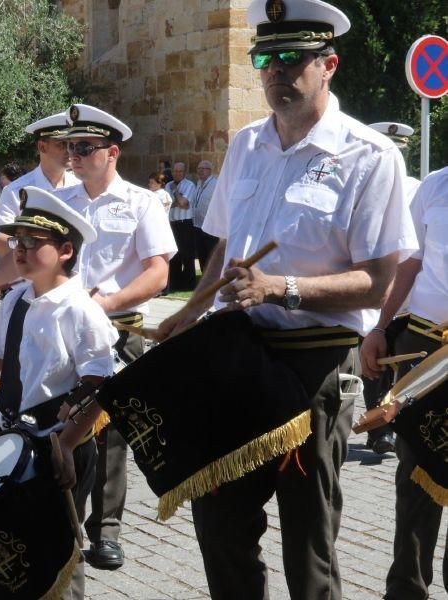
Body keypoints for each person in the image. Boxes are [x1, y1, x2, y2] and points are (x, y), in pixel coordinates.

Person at [157, 1, 416, 597]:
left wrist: (283, 288)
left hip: (317, 361)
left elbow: (378, 280)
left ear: (328, 64)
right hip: (238, 353)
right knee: (218, 517)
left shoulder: (370, 156)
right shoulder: (246, 145)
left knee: (308, 538)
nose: (274, 72)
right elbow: (224, 250)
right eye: (264, 59)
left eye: (290, 59)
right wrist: (189, 311)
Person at [0, 186, 116, 600]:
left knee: (57, 550)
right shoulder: (16, 299)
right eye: (17, 240)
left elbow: (98, 384)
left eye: (34, 241)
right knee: (16, 545)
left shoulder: (82, 310)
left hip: (57, 444)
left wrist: (66, 445)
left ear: (65, 250)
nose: (20, 249)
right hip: (12, 442)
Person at [56, 104, 176, 571]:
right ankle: (65, 523)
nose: (74, 156)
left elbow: (159, 273)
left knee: (111, 438)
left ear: (112, 152)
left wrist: (107, 302)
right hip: (67, 334)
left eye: (84, 148)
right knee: (60, 427)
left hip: (119, 332)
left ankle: (106, 531)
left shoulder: (140, 203)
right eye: (71, 147)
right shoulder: (61, 204)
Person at [359, 166, 448, 600]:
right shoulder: (436, 184)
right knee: (415, 467)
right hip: (425, 345)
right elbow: (409, 264)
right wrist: (379, 328)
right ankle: (407, 589)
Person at [360, 121, 421, 454]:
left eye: (398, 152)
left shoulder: (417, 190)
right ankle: (378, 431)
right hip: (372, 293)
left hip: (409, 298)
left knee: (402, 365)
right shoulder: (365, 189)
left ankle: (398, 425)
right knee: (374, 365)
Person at [0, 112, 80, 259]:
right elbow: (0, 242)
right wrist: (35, 250)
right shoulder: (15, 191)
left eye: (71, 144)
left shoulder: (80, 187)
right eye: (62, 144)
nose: (69, 151)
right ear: (42, 147)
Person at [165, 161, 197, 291]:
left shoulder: (189, 185)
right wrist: (179, 202)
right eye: (175, 171)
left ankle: (189, 284)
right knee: (174, 255)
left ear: (184, 172)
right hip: (172, 223)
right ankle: (175, 282)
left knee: (187, 255)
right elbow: (167, 204)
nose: (177, 174)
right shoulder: (167, 184)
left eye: (180, 171)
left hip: (185, 223)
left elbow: (184, 202)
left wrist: (175, 192)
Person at [192, 160, 218, 273]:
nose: (201, 171)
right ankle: (205, 280)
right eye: (199, 168)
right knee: (202, 254)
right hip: (198, 225)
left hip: (211, 226)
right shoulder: (198, 183)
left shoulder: (215, 184)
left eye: (204, 169)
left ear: (210, 171)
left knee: (211, 255)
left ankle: (214, 281)